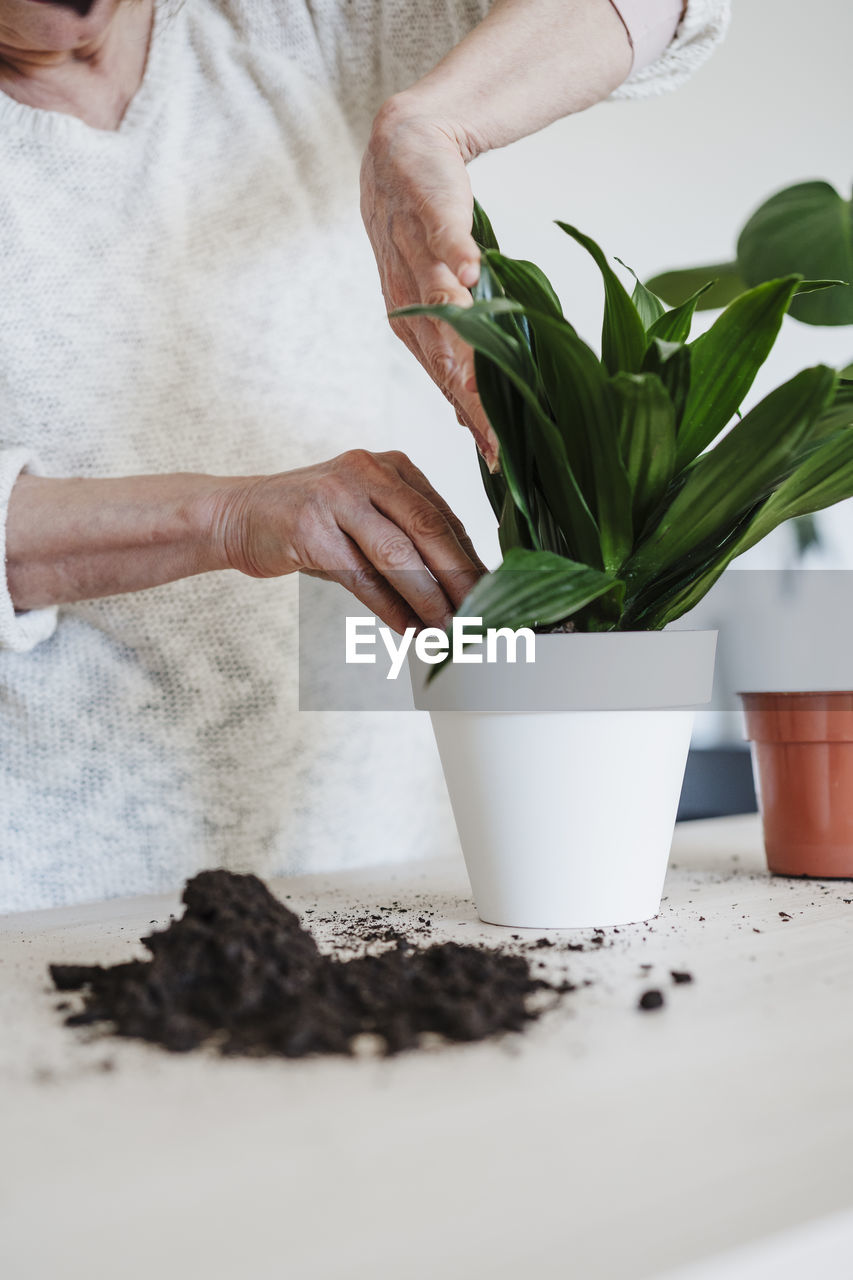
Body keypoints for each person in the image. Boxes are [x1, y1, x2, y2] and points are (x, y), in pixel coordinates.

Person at [0, 0, 729, 912]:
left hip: (373, 863)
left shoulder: (285, 27)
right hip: (48, 892)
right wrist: (230, 516)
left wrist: (430, 119)